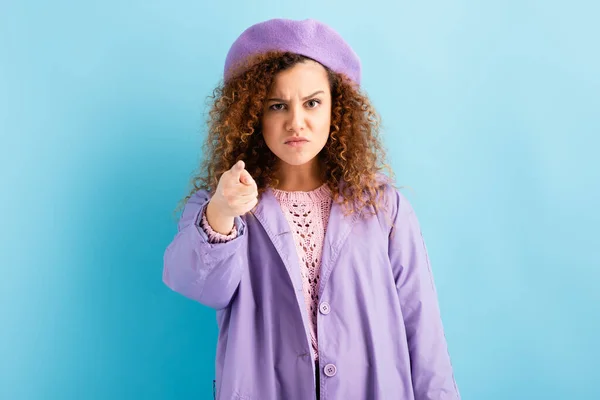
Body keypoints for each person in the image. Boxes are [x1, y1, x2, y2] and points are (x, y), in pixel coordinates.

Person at [163, 18, 460, 400]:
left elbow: (423, 331)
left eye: (312, 102)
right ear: (254, 115)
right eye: (277, 105)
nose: (295, 122)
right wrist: (222, 212)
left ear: (337, 110)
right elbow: (198, 285)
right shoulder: (219, 204)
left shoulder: (384, 207)